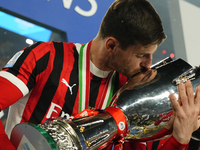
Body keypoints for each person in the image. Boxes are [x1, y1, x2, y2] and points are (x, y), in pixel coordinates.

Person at [0, 0, 199, 149]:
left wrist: (180, 139)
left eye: (151, 55)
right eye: (141, 55)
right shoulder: (47, 57)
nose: (148, 65)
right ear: (111, 45)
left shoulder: (131, 93)